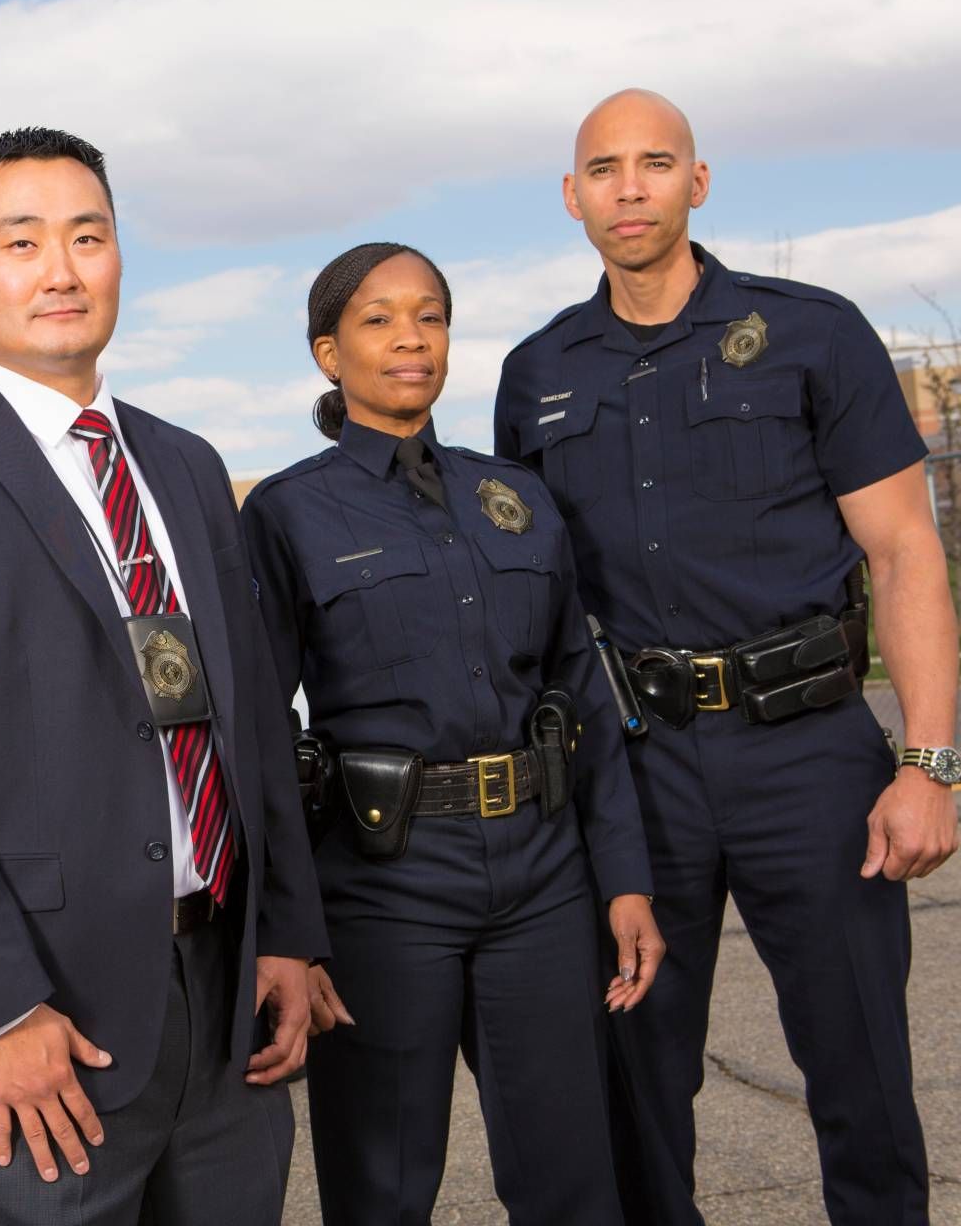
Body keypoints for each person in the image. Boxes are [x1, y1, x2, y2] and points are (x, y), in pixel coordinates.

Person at [0, 127, 329, 1225]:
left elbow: (249, 717)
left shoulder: (183, 462)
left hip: (224, 1000)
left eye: (87, 237)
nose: (60, 270)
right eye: (21, 242)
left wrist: (286, 931)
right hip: (49, 1019)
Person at [494, 89, 960, 1225]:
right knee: (637, 1076)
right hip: (638, 768)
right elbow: (536, 601)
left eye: (656, 163)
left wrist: (927, 763)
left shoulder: (813, 333)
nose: (630, 188)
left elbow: (904, 552)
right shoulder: (537, 372)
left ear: (697, 183)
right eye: (604, 169)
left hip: (809, 754)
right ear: (572, 198)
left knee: (861, 1068)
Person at [243, 243, 662, 1225]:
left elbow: (581, 694)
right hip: (381, 883)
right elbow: (259, 734)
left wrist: (626, 879)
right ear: (328, 354)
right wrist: (290, 932)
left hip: (542, 875)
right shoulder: (288, 513)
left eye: (429, 316)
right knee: (383, 1188)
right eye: (379, 319)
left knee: (573, 1181)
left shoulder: (514, 498)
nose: (411, 338)